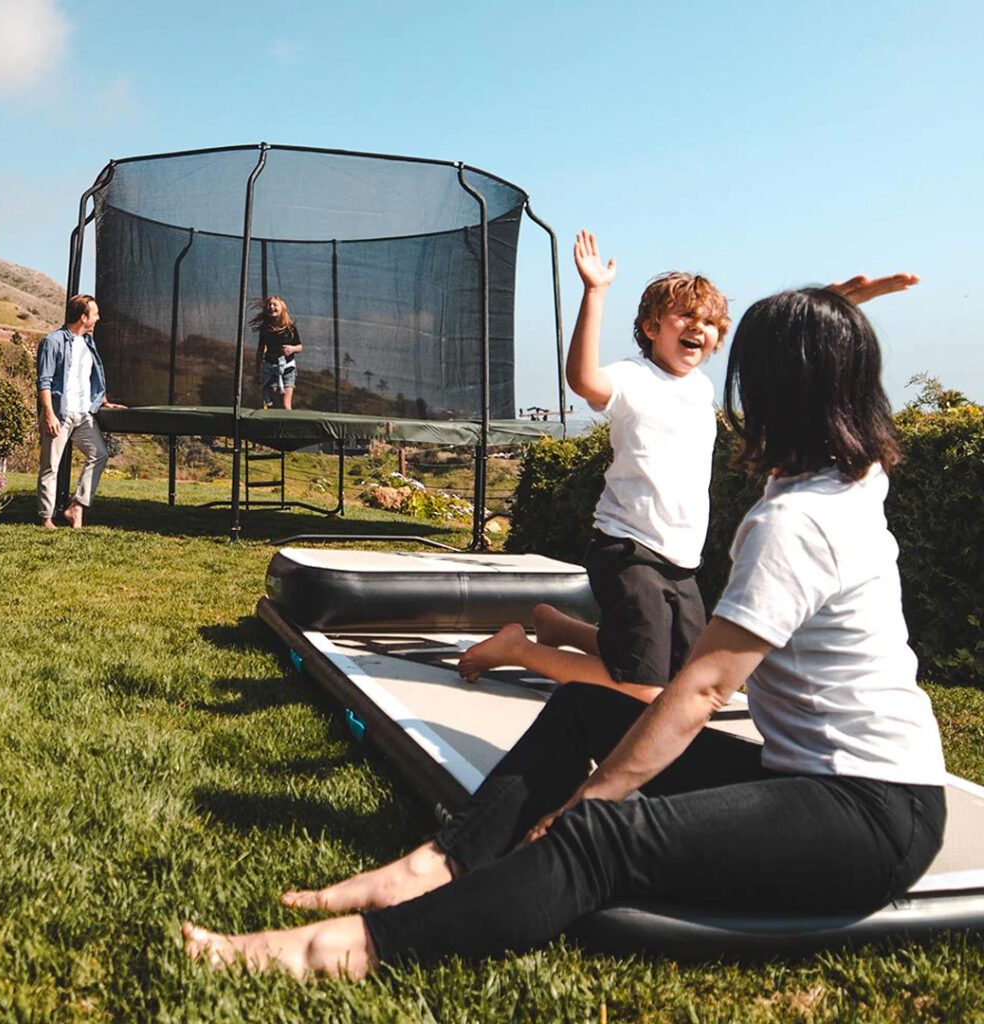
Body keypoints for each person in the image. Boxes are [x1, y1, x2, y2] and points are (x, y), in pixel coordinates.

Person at [183, 273, 946, 980]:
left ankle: (346, 949)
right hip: (830, 782)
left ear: (775, 390)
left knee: (598, 834)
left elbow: (705, 688)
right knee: (590, 707)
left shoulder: (797, 521)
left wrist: (593, 801)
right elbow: (829, 388)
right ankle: (433, 866)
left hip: (871, 815)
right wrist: (835, 314)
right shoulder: (850, 477)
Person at [458, 231, 730, 703]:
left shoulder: (701, 388)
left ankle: (556, 625)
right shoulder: (633, 377)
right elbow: (583, 379)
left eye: (709, 321)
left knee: (688, 684)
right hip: (629, 550)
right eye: (686, 315)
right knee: (643, 690)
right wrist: (595, 292)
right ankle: (519, 648)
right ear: (650, 327)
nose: (698, 327)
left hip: (682, 559)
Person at [36, 294, 122, 529]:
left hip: (84, 414)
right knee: (50, 466)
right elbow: (44, 381)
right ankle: (46, 518)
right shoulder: (52, 341)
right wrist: (50, 414)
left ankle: (77, 506)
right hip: (60, 413)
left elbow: (89, 377)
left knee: (100, 454)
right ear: (83, 317)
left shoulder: (88, 343)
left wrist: (103, 401)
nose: (98, 318)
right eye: (94, 314)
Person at [253, 295, 303, 410]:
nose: (271, 307)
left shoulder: (290, 329)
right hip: (271, 368)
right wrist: (257, 371)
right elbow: (260, 351)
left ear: (282, 308)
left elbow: (300, 347)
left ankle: (289, 426)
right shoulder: (265, 329)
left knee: (286, 404)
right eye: (269, 305)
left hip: (288, 368)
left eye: (275, 305)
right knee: (274, 402)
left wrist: (292, 349)